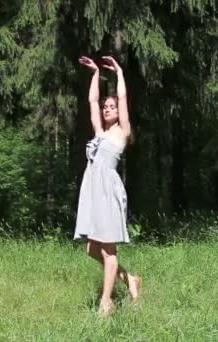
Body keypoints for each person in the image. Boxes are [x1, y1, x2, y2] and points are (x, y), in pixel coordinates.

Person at [74, 55, 141, 317]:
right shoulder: (100, 134)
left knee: (108, 249)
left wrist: (119, 73)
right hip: (92, 192)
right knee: (92, 248)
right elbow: (92, 101)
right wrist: (94, 76)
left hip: (109, 190)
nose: (107, 108)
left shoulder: (121, 133)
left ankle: (106, 302)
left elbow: (123, 99)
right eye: (106, 106)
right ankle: (130, 280)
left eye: (111, 106)